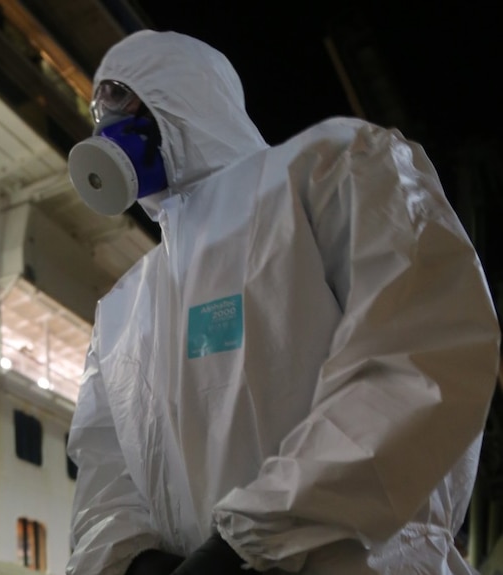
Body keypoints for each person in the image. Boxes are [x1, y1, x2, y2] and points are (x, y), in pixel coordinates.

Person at [65, 30, 501, 575]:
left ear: (180, 93)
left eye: (115, 94)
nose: (102, 119)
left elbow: (423, 352)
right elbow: (106, 473)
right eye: (96, 104)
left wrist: (246, 544)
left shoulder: (332, 170)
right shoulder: (124, 310)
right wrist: (133, 563)